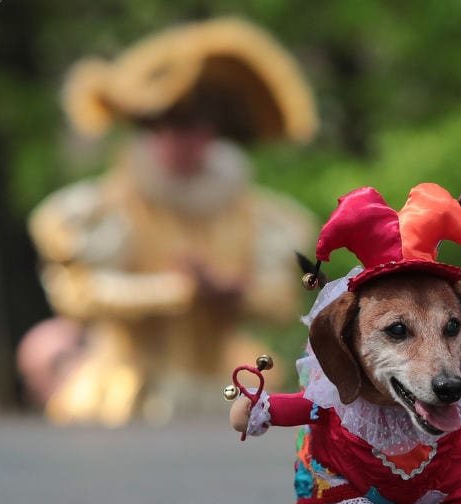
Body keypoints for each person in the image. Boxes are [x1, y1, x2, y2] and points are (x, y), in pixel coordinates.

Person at [28, 18, 318, 425]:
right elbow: (77, 294)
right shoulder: (101, 209)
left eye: (200, 125)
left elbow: (281, 301)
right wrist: (176, 290)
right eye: (173, 124)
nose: (188, 139)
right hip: (125, 398)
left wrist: (229, 292)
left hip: (226, 391)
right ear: (150, 130)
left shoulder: (259, 215)